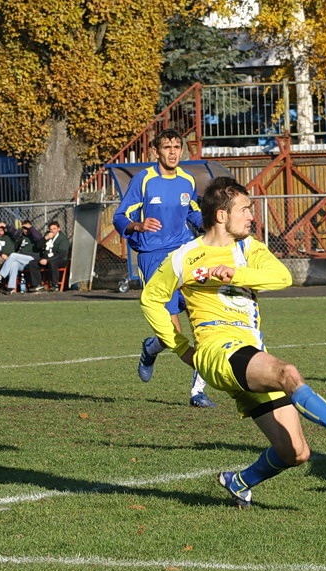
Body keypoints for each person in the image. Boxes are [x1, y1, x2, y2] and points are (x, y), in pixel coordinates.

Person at [139, 176, 326, 508]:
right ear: (222, 215)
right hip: (217, 351)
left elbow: (283, 277)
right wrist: (180, 347)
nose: (252, 216)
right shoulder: (185, 257)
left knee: (296, 452)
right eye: (245, 209)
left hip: (250, 353)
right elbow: (151, 299)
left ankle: (239, 482)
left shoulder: (248, 248)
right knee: (287, 374)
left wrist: (235, 274)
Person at [113, 128, 214, 408]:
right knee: (172, 331)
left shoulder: (186, 179)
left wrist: (212, 223)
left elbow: (192, 210)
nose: (173, 152)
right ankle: (151, 349)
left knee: (202, 315)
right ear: (155, 151)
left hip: (185, 251)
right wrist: (137, 225)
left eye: (177, 147)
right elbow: (120, 216)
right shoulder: (144, 180)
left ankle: (198, 391)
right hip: (152, 255)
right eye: (167, 147)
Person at [0, 219, 43, 294]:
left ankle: (1, 275)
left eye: (27, 229)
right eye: (24, 228)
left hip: (32, 258)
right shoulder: (21, 236)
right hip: (22, 260)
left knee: (13, 255)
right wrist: (5, 225)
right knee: (14, 264)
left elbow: (39, 237)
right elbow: (14, 232)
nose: (26, 230)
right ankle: (11, 288)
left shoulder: (34, 236)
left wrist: (31, 228)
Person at [37, 220, 71, 292]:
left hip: (60, 259)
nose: (52, 231)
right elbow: (38, 246)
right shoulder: (47, 236)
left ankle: (54, 285)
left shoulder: (62, 239)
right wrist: (45, 238)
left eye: (54, 229)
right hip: (46, 258)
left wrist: (48, 260)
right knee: (33, 263)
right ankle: (37, 285)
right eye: (50, 229)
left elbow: (62, 254)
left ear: (58, 229)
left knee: (53, 262)